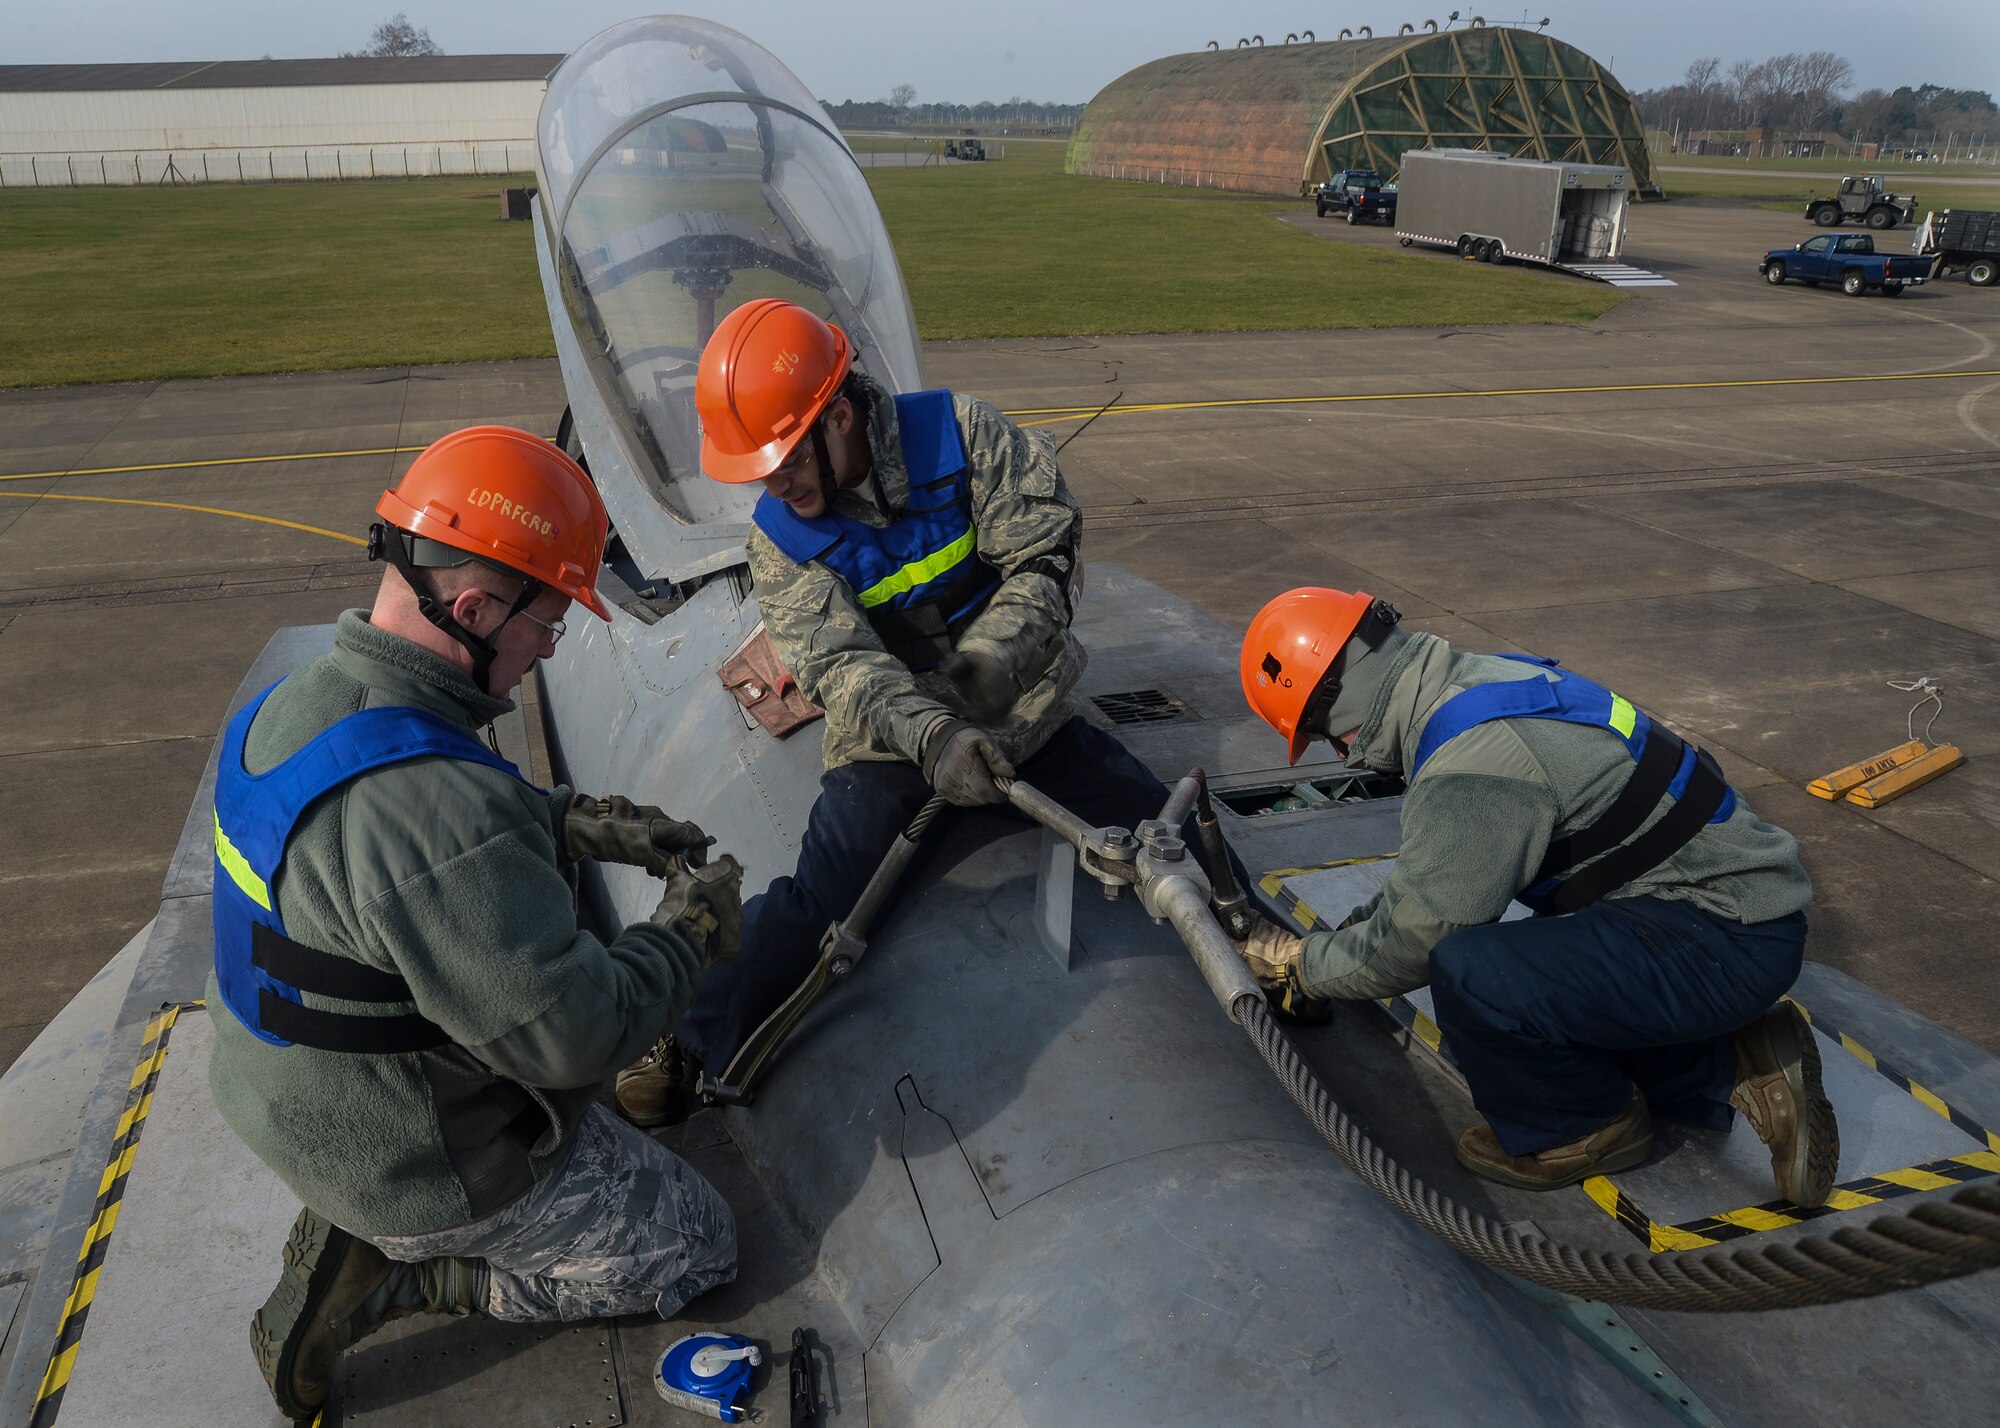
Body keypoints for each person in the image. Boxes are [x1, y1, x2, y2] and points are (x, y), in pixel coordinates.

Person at [206, 426, 746, 1424]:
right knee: (700, 1242)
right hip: (400, 1153)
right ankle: (407, 1274)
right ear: (474, 608)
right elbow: (572, 1039)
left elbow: (378, 856)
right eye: (549, 620)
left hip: (272, 1089)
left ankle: (377, 1228)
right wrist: (684, 934)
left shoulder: (301, 698)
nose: (553, 644)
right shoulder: (443, 811)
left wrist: (567, 822)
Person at [614, 298, 1244, 1123]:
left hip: (1024, 715)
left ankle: (1265, 950)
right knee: (816, 901)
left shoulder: (966, 437)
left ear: (839, 417)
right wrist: (935, 731)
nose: (775, 486)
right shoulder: (781, 535)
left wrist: (991, 670)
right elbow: (838, 662)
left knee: (1173, 832)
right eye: (761, 473)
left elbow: (1045, 551)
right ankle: (686, 1037)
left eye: (785, 463)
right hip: (894, 745)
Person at [1234, 587, 1838, 1207]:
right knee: (1550, 1002)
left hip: (1722, 936)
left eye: (1324, 736)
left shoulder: (1471, 767)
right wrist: (1329, 945)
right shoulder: (1474, 683)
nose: (1341, 752)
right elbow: (1428, 882)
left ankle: (1586, 1127)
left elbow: (1418, 937)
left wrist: (1303, 969)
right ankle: (1734, 1059)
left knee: (1477, 978)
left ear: (1337, 703)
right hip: (1719, 915)